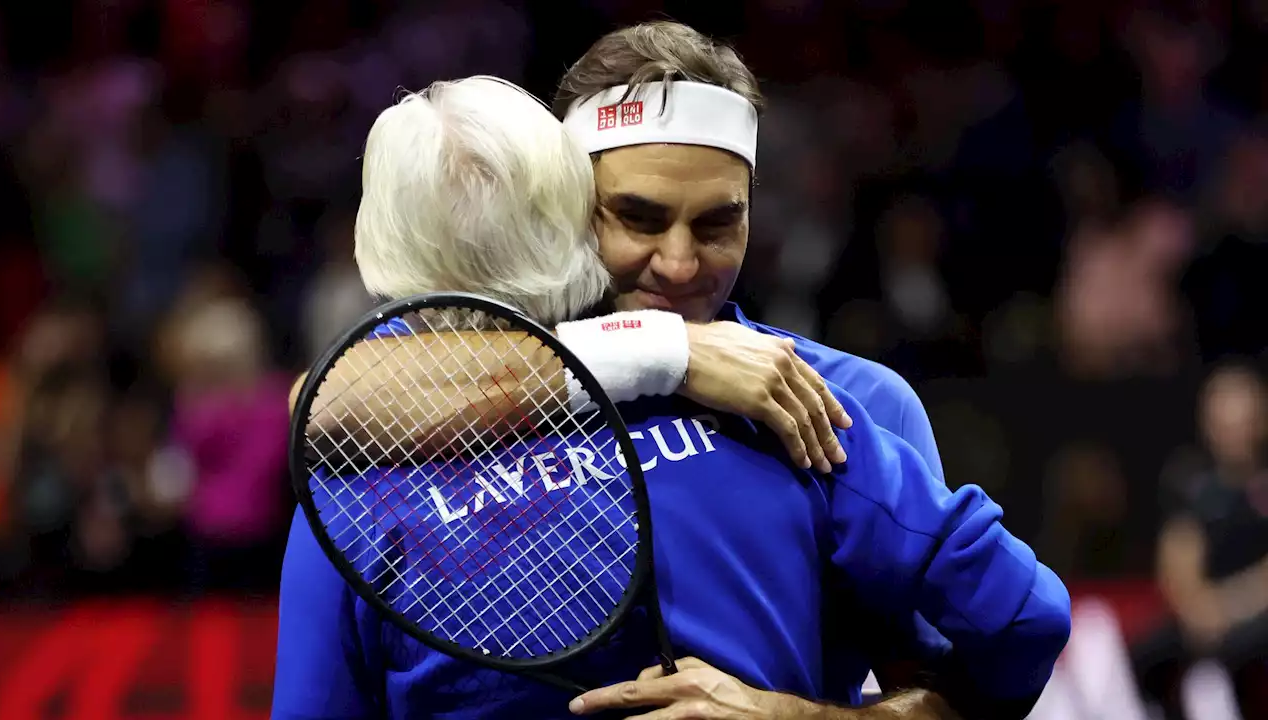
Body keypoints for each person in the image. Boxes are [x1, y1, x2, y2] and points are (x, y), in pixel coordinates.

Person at [299, 21, 1058, 718]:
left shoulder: (847, 403)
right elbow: (320, 400)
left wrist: (791, 718)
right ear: (564, 206)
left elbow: (968, 682)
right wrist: (669, 352)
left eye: (719, 223)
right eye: (639, 218)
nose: (681, 263)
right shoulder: (428, 409)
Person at [1131, 362, 1268, 720]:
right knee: (1148, 653)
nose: (1233, 429)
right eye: (1223, 417)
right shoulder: (1189, 485)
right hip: (1203, 616)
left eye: (1243, 417)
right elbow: (1178, 566)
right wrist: (1201, 612)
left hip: (1256, 612)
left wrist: (1230, 610)